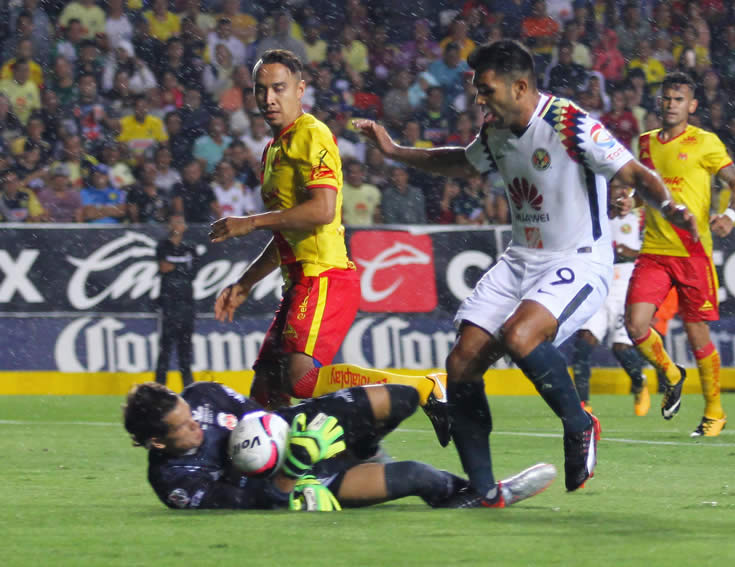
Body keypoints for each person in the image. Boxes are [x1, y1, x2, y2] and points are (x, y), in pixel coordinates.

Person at [355, 40, 697, 504]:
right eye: (477, 90)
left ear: (520, 86)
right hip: (521, 260)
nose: (479, 99)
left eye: (486, 89)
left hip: (577, 260)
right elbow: (461, 161)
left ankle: (580, 424)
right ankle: (483, 491)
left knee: (520, 337)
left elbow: (633, 173)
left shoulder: (569, 122)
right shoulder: (496, 129)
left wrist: (671, 207)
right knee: (461, 364)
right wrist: (396, 151)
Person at [208, 49, 449, 443]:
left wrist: (248, 222)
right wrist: (246, 282)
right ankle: (282, 475)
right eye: (260, 89)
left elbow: (321, 210)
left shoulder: (312, 134)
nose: (268, 98)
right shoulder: (273, 151)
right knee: (267, 391)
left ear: (300, 90)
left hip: (324, 276)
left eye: (279, 88)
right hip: (299, 281)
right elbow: (289, 231)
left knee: (301, 381)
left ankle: (426, 386)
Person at [123, 380, 557, 510]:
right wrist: (296, 463)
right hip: (299, 481)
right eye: (183, 427)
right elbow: (255, 503)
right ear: (157, 442)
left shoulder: (203, 395)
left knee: (404, 398)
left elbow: (264, 419)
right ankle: (480, 496)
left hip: (301, 429)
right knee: (417, 476)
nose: (196, 423)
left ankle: (364, 448)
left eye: (188, 412)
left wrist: (297, 435)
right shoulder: (175, 481)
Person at [625, 72, 735, 438]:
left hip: (693, 253)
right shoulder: (645, 144)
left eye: (678, 99)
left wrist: (728, 215)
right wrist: (627, 200)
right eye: (666, 98)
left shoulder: (705, 142)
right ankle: (671, 372)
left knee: (698, 336)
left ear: (692, 106)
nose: (670, 104)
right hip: (654, 250)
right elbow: (641, 190)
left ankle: (715, 411)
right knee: (635, 326)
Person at [571, 178, 651, 417]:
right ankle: (583, 406)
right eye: (610, 187)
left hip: (625, 286)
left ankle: (639, 382)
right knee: (583, 344)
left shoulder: (639, 216)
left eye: (618, 188)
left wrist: (631, 253)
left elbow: (653, 249)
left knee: (620, 348)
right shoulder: (595, 215)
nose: (614, 192)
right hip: (599, 283)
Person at [155, 215, 199, 388]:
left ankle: (188, 387)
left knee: (185, 349)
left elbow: (194, 273)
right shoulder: (162, 246)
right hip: (168, 302)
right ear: (169, 225)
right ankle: (159, 386)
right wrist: (183, 270)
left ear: (185, 226)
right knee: (165, 348)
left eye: (181, 222)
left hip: (186, 303)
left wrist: (175, 269)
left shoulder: (190, 248)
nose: (177, 225)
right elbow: (163, 268)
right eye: (174, 222)